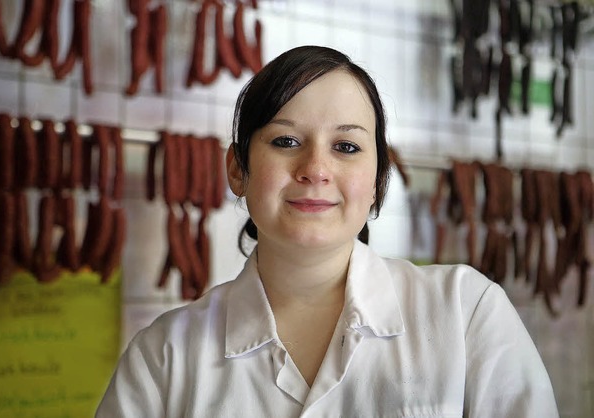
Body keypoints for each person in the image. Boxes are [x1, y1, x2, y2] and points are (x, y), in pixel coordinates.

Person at [96, 45, 558, 417]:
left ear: (378, 181)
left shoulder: (467, 312)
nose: (315, 169)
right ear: (238, 170)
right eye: (286, 141)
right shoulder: (162, 358)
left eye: (346, 146)